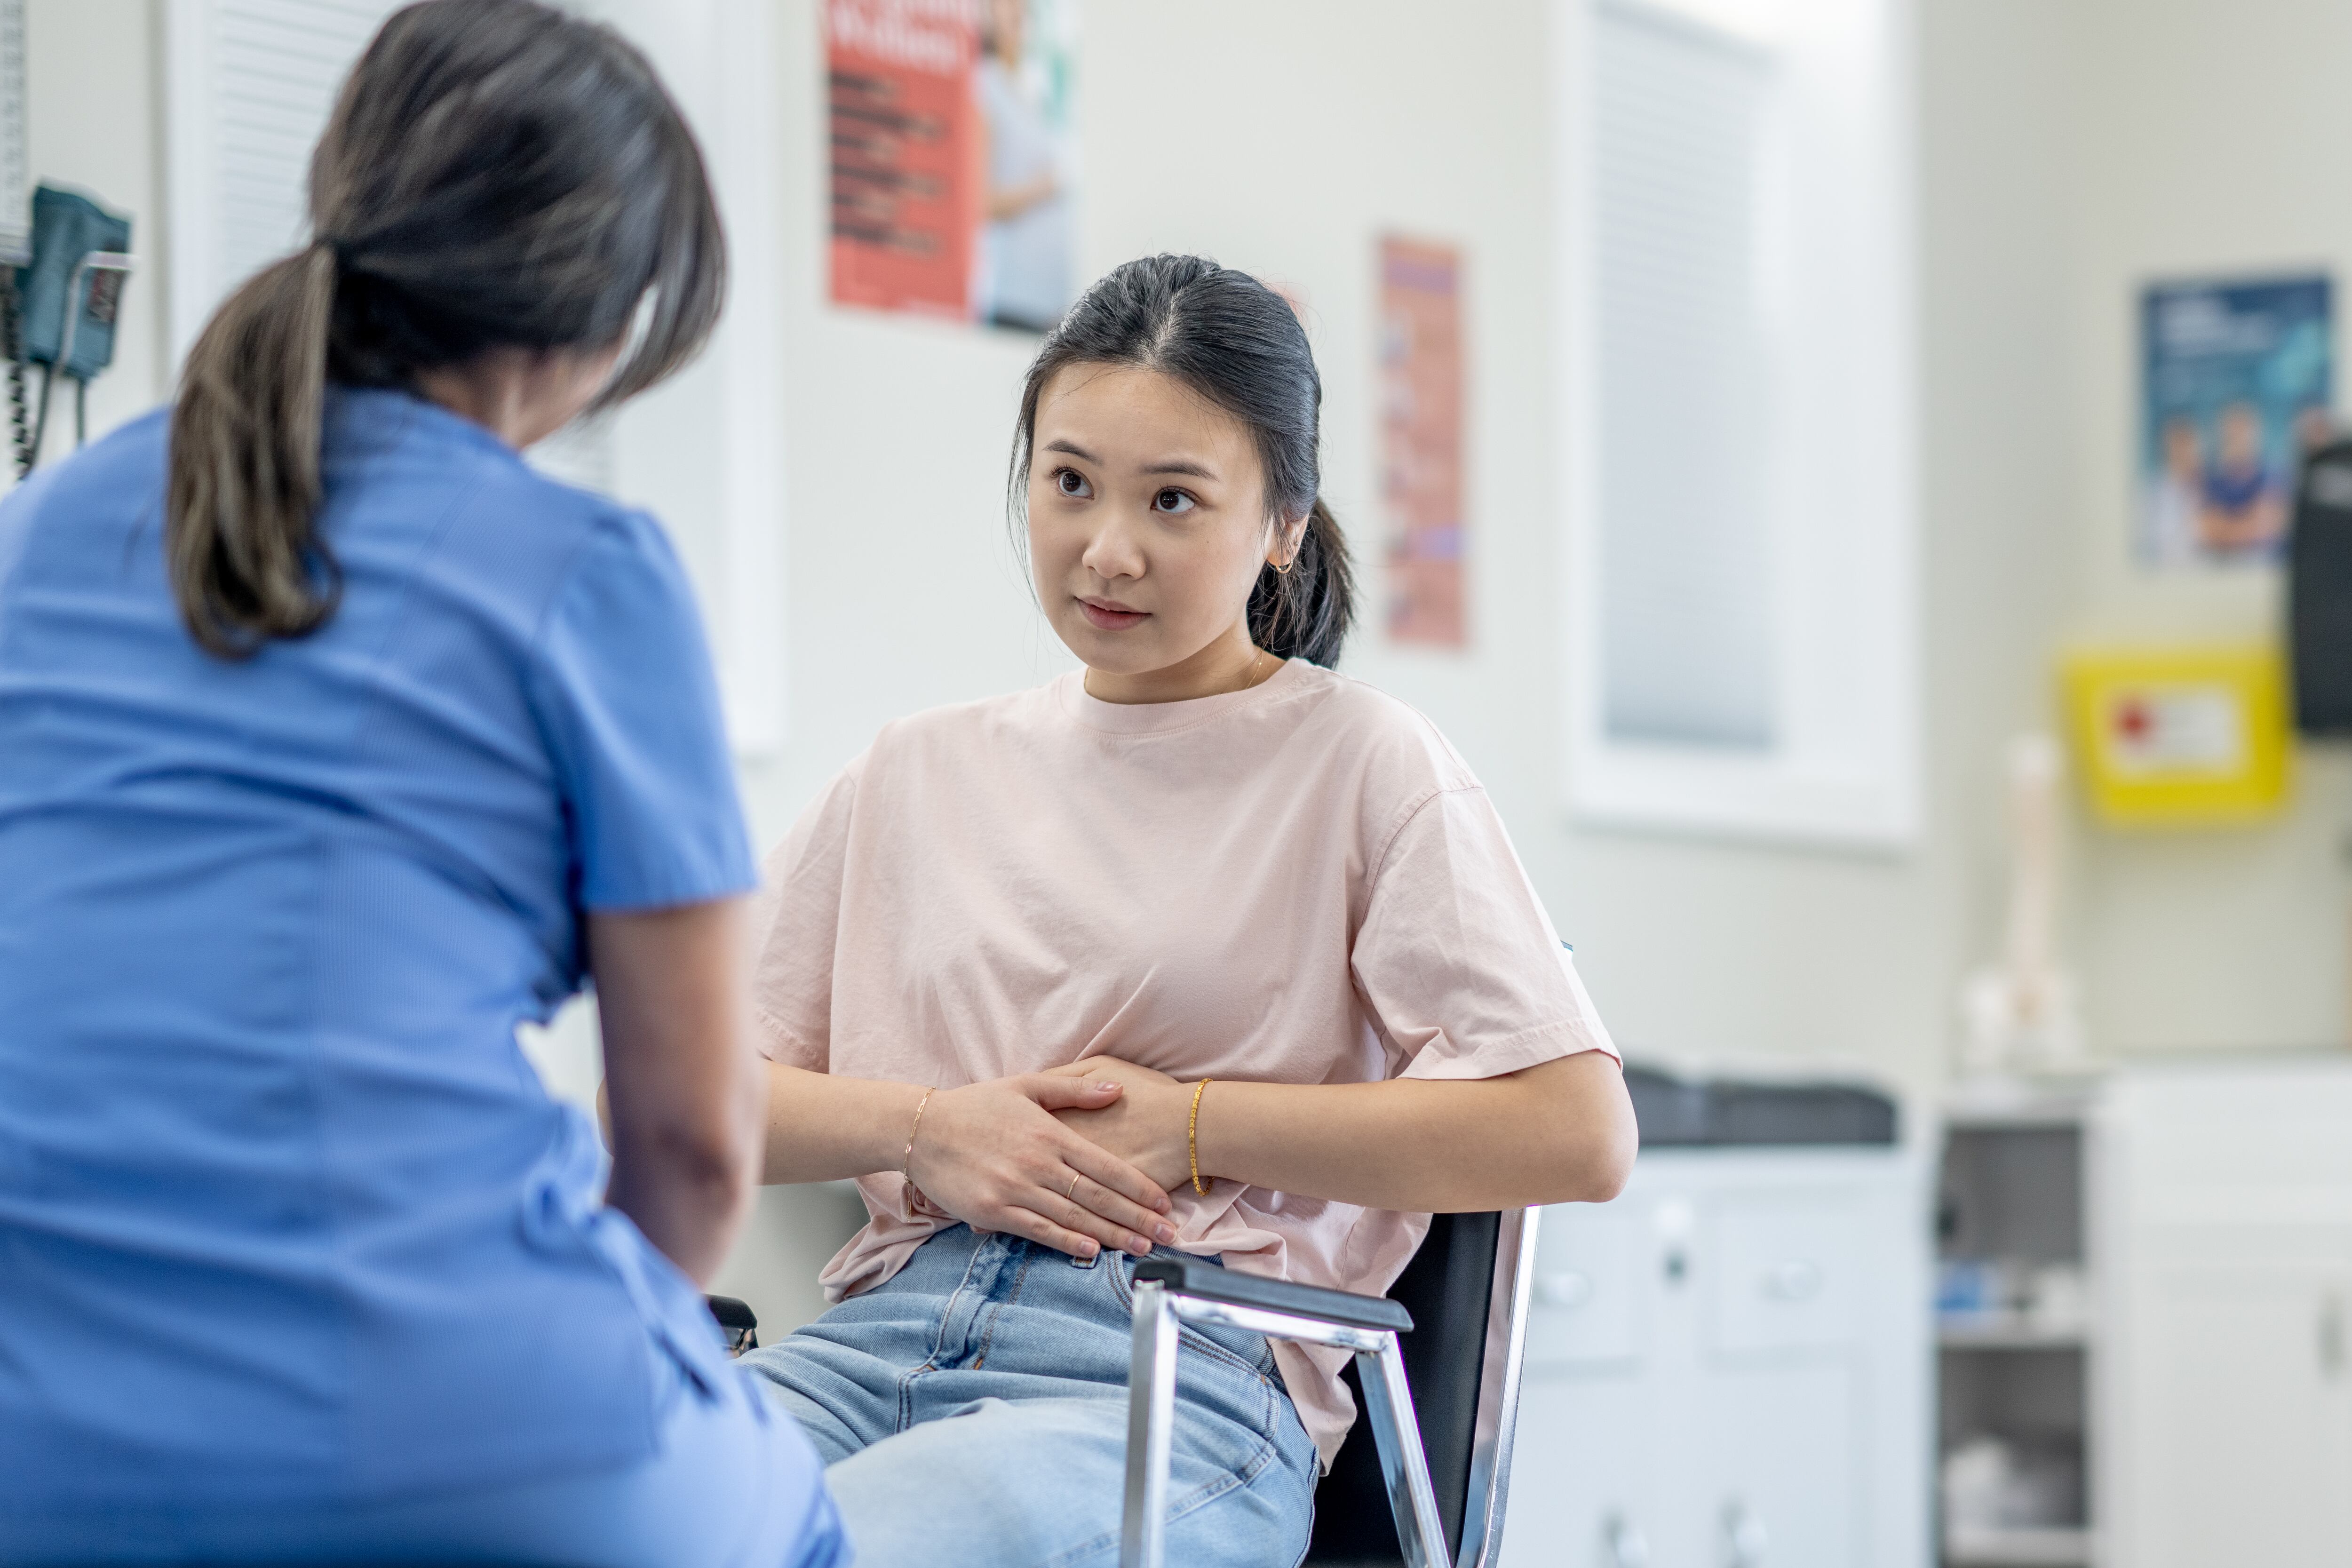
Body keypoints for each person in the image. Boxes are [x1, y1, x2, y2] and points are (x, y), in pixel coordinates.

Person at [0, 4, 842, 1564]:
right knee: (792, 1513)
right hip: (435, 1431)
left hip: (37, 1442)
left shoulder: (36, 529)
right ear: (606, 320)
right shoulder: (588, 571)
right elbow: (694, 1147)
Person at [742, 254, 1637, 1568]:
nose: (1108, 550)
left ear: (1283, 524)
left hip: (1174, 1376)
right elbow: (672, 1104)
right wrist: (925, 1129)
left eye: (1173, 499)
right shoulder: (913, 770)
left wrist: (1197, 1126)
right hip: (874, 1339)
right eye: (1070, 483)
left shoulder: (1365, 765)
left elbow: (1577, 1130)